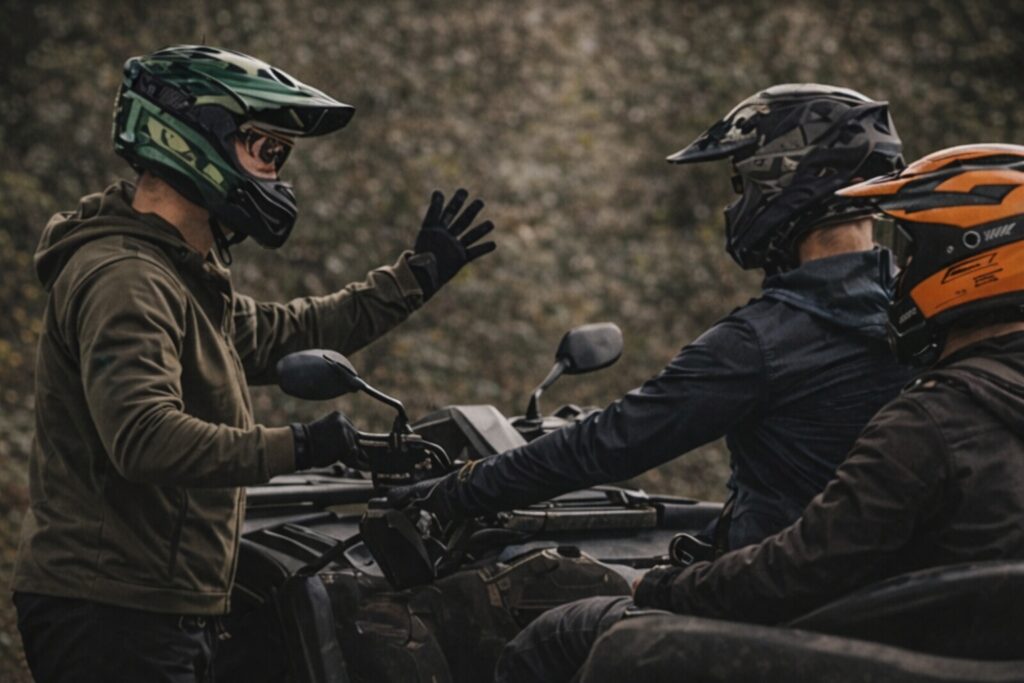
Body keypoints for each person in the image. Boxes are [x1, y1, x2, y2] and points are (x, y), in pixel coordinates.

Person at [11, 45, 496, 682]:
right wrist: (303, 444)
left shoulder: (180, 276)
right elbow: (145, 438)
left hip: (155, 604)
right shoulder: (126, 279)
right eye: (264, 149)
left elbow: (285, 332)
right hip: (113, 611)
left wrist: (415, 277)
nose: (275, 174)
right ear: (193, 136)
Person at [497, 143, 1024, 682]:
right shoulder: (988, 402)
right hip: (960, 652)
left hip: (869, 645)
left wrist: (650, 586)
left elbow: (797, 573)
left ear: (971, 260)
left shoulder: (928, 421)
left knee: (563, 634)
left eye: (913, 254)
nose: (899, 272)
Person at [390, 83, 909, 554]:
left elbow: (608, 444)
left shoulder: (762, 343)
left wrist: (452, 492)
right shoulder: (921, 309)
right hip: (870, 579)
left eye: (740, 184)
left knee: (539, 621)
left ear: (784, 178)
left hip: (772, 590)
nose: (736, 206)